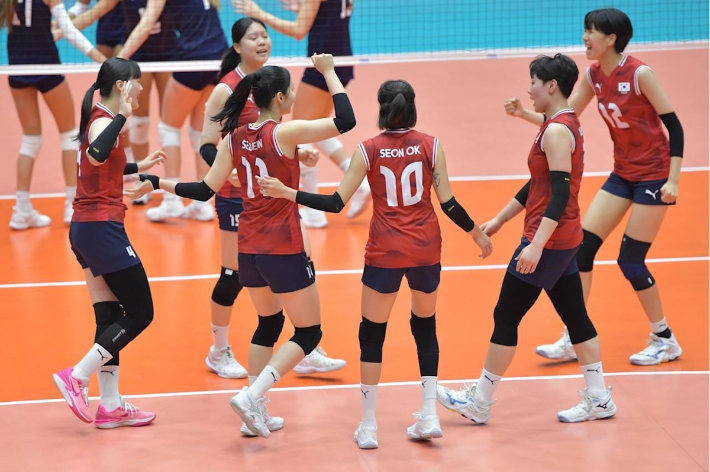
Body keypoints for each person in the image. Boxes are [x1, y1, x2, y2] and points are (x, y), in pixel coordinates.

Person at [129, 53, 356, 438]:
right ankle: (252, 395)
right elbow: (345, 121)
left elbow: (203, 190)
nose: (295, 95)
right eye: (292, 91)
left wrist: (157, 182)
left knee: (269, 323)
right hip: (284, 245)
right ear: (280, 98)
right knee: (309, 333)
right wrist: (330, 73)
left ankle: (255, 413)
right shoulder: (285, 133)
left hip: (248, 249)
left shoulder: (234, 138)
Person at [257, 79, 493, 448]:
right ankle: (429, 415)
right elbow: (448, 203)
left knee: (372, 335)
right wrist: (477, 233)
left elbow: (336, 203)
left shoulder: (368, 150)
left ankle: (368, 426)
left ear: (381, 109)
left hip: (385, 251)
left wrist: (289, 193)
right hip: (426, 249)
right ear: (412, 107)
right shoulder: (431, 146)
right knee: (425, 327)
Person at [438, 54, 616, 424]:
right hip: (563, 238)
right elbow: (538, 183)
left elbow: (559, 195)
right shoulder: (560, 123)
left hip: (549, 241)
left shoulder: (556, 131)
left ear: (552, 86)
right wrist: (500, 220)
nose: (529, 89)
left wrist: (536, 245)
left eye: (533, 81)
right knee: (576, 316)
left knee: (506, 315)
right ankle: (600, 399)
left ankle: (480, 401)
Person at [506, 9, 684, 366]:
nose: (585, 36)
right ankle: (574, 337)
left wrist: (673, 179)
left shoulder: (640, 75)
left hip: (654, 175)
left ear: (611, 38)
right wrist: (525, 114)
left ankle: (664, 339)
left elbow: (674, 127)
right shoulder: (593, 75)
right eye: (585, 29)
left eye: (591, 31)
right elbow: (562, 117)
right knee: (582, 249)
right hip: (623, 174)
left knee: (630, 260)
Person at [198, 18, 346, 398]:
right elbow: (207, 144)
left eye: (265, 36)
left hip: (276, 198)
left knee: (300, 261)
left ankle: (304, 349)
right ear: (237, 46)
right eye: (254, 37)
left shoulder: (270, 86)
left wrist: (300, 153)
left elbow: (276, 141)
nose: (262, 42)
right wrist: (228, 171)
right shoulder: (225, 90)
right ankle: (218, 350)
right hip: (237, 195)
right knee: (232, 275)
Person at [52, 58, 165, 428]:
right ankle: (77, 376)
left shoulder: (99, 120)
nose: (142, 88)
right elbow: (96, 153)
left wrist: (138, 165)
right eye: (137, 82)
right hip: (101, 230)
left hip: (86, 229)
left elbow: (102, 164)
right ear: (122, 86)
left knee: (110, 317)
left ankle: (111, 406)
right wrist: (124, 116)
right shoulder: (105, 120)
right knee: (142, 312)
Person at [234, 0, 371, 228]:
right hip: (341, 62)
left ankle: (314, 213)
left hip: (322, 66)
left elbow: (299, 30)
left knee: (301, 133)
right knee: (317, 129)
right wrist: (305, 9)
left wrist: (259, 13)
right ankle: (358, 182)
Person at [118, 0, 228, 221]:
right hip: (219, 59)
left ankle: (171, 203)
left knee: (169, 127)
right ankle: (202, 204)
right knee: (200, 131)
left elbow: (147, 23)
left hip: (194, 57)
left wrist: (118, 59)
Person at [1, 0, 105, 230]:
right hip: (47, 68)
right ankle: (72, 206)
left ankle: (21, 210)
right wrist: (101, 59)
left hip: (17, 70)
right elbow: (68, 30)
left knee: (30, 139)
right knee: (69, 134)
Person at [67, 0, 178, 203]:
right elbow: (95, 12)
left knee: (168, 126)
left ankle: (172, 194)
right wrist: (60, 29)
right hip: (139, 54)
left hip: (168, 53)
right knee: (140, 123)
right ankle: (142, 181)